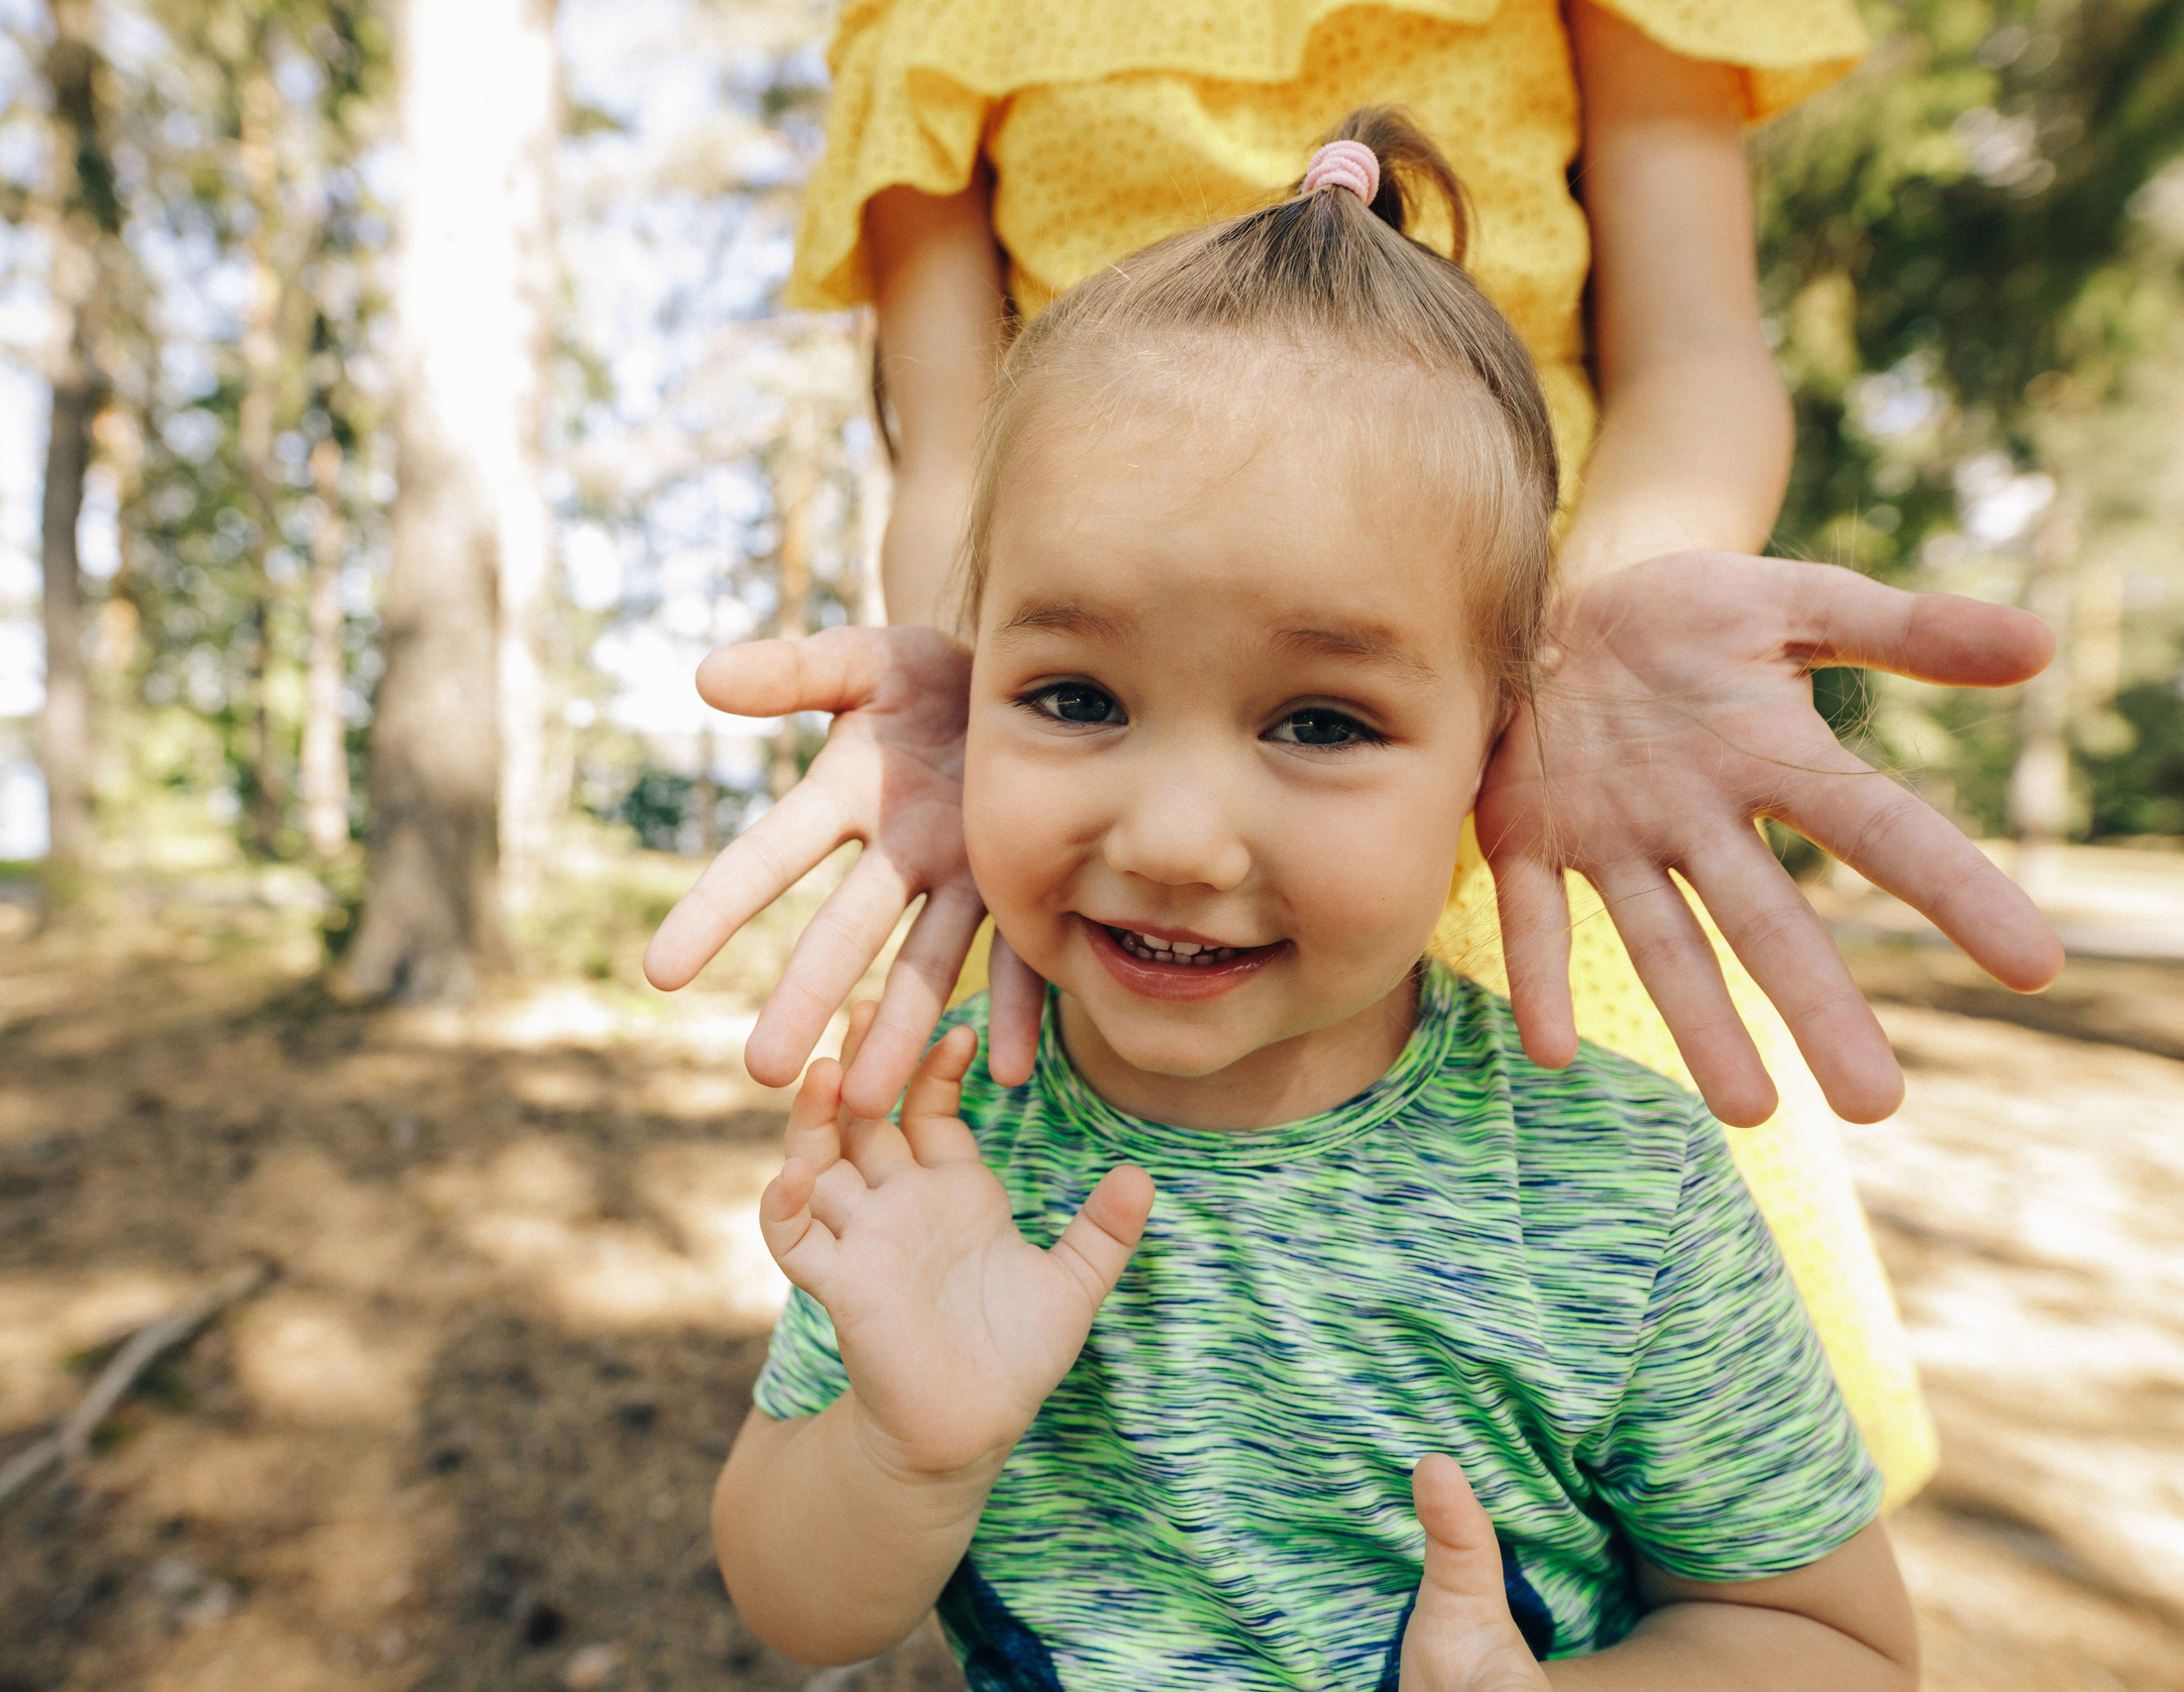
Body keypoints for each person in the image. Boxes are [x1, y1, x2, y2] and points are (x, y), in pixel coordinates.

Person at [648, 0, 2063, 1501]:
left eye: (1314, 721)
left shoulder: (1621, 1148)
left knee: (1680, 1468)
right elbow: (949, 453)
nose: (1182, 840)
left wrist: (1536, 672)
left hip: (1547, 790)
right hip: (1106, 745)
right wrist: (1005, 687)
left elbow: (1697, 351)